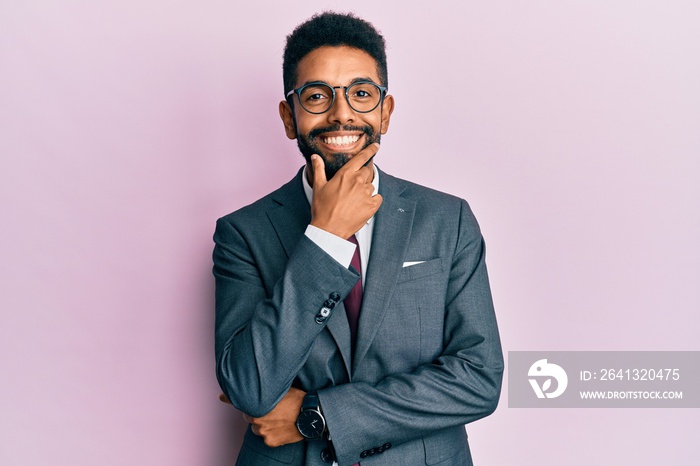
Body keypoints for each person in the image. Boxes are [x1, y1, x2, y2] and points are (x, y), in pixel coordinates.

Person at [213, 11, 503, 466]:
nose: (342, 113)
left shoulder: (449, 220)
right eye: (316, 96)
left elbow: (479, 378)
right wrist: (325, 238)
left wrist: (319, 415)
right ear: (290, 117)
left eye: (361, 94)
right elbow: (250, 386)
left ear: (384, 113)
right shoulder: (242, 234)